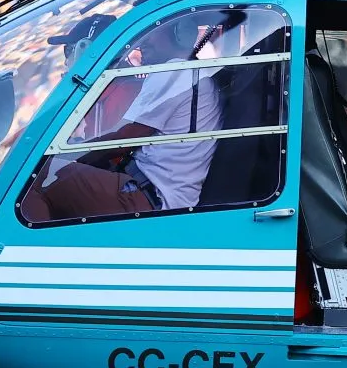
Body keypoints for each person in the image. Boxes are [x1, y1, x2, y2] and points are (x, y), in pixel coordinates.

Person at [21, 14, 224, 221]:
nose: (142, 41)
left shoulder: (174, 72)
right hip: (153, 190)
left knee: (29, 184)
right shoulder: (189, 74)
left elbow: (123, 140)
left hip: (151, 197)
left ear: (180, 33)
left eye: (151, 33)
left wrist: (63, 155)